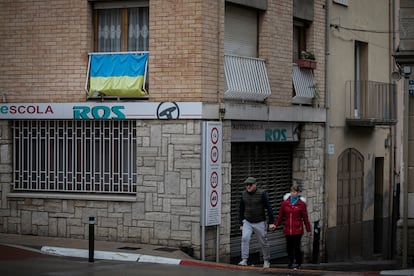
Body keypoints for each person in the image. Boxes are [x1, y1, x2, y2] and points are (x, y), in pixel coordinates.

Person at [271, 183, 311, 269]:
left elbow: (305, 217)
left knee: (297, 247)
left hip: (297, 229)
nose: (293, 193)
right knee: (289, 247)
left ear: (298, 193)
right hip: (288, 229)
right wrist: (275, 225)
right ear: (290, 192)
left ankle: (298, 262)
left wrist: (308, 229)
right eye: (292, 192)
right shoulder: (285, 203)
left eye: (295, 192)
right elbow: (280, 216)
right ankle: (290, 261)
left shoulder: (301, 204)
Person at [238, 176, 275, 268]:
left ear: (255, 185)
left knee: (263, 241)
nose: (248, 187)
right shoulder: (243, 194)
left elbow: (269, 208)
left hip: (260, 221)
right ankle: (244, 259)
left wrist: (271, 222)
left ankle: (266, 260)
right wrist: (241, 223)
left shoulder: (262, 194)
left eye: (250, 185)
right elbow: (240, 209)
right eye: (246, 185)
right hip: (247, 221)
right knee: (245, 238)